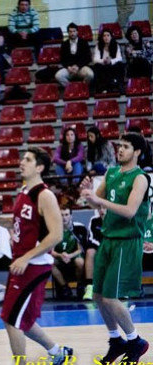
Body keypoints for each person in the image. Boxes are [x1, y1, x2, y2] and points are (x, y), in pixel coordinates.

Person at [0, 147, 73, 364]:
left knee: (12, 319)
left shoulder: (45, 195)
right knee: (25, 319)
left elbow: (56, 234)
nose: (22, 162)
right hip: (22, 262)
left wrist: (26, 257)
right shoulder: (23, 192)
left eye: (28, 160)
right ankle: (57, 352)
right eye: (23, 158)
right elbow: (18, 222)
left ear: (39, 167)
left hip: (34, 265)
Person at [80, 132, 150, 363]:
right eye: (119, 146)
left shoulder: (140, 178)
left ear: (137, 152)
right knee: (98, 296)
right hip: (108, 239)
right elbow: (97, 206)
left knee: (111, 298)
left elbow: (130, 211)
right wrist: (88, 193)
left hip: (126, 242)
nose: (120, 150)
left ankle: (136, 341)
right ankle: (116, 340)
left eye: (126, 146)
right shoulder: (110, 173)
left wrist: (100, 201)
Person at [51, 206, 86, 299]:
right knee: (49, 262)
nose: (64, 217)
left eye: (66, 215)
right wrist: (60, 255)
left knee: (80, 262)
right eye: (61, 215)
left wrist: (69, 256)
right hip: (60, 258)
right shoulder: (54, 230)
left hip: (73, 256)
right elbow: (51, 250)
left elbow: (80, 249)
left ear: (71, 216)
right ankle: (65, 287)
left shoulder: (78, 228)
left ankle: (80, 285)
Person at [55, 23, 94, 87]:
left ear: (77, 32)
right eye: (70, 31)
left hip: (81, 68)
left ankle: (82, 88)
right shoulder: (64, 44)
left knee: (90, 74)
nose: (72, 33)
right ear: (68, 33)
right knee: (58, 76)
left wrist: (78, 66)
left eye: (74, 31)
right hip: (69, 69)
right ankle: (71, 88)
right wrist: (68, 67)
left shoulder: (83, 42)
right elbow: (62, 59)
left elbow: (88, 58)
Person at [84, 206, 107, 301]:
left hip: (113, 247)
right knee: (90, 252)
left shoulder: (116, 220)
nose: (102, 210)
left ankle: (121, 287)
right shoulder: (94, 220)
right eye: (99, 208)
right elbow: (91, 238)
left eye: (104, 208)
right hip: (98, 247)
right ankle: (90, 287)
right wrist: (102, 246)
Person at [93, 29, 125, 94]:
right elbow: (95, 59)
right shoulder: (98, 46)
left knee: (120, 65)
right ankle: (102, 88)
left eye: (108, 35)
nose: (106, 37)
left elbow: (119, 58)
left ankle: (118, 86)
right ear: (102, 37)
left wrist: (111, 61)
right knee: (97, 66)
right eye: (104, 36)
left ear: (111, 37)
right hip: (103, 65)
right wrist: (103, 61)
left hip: (112, 65)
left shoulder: (116, 45)